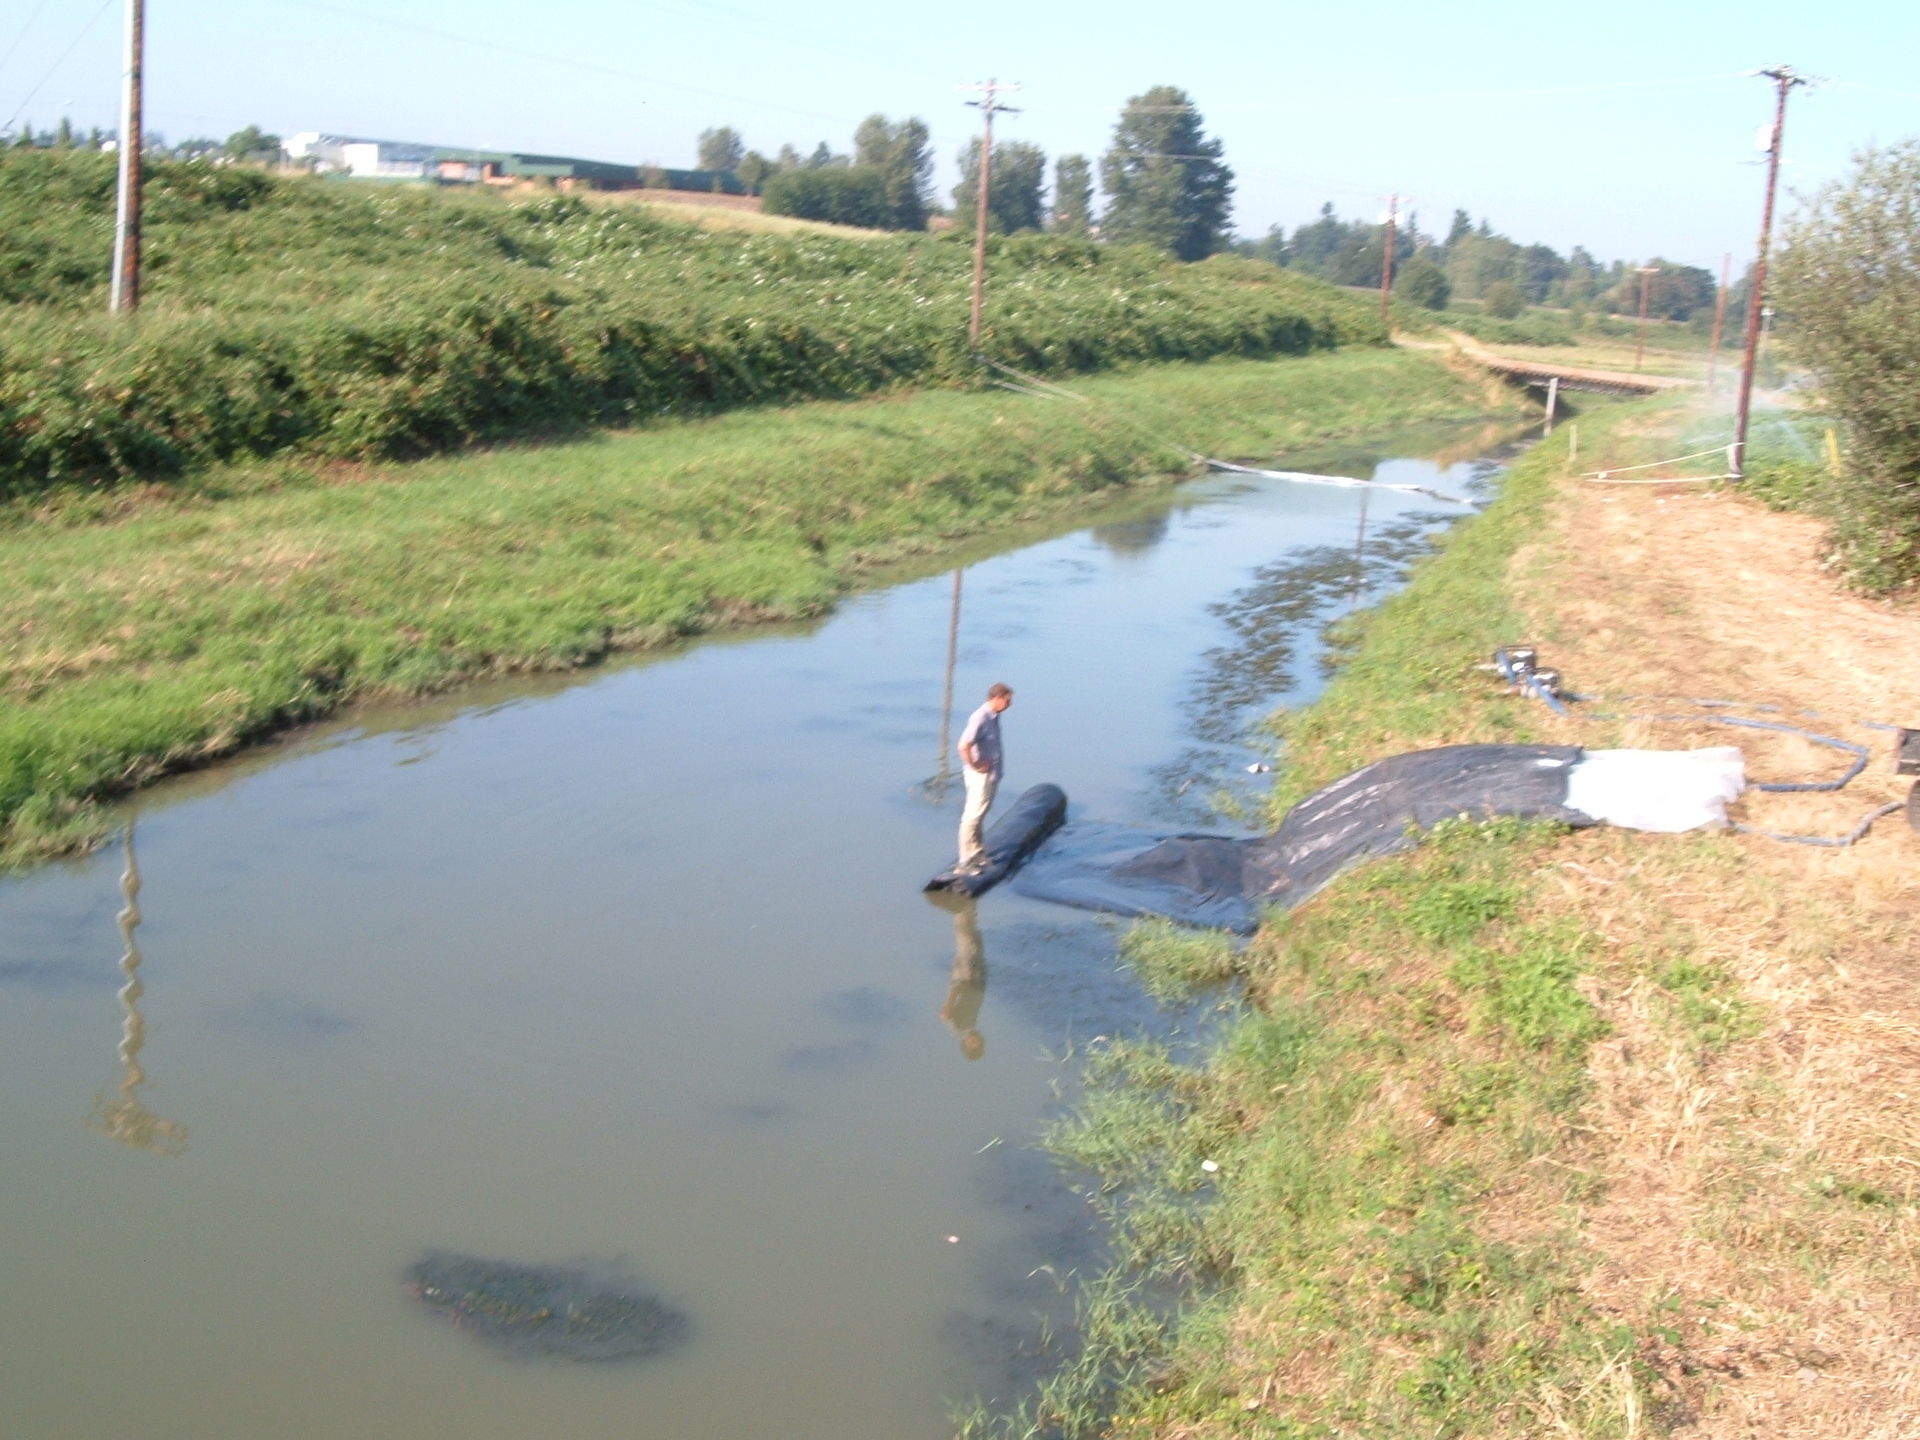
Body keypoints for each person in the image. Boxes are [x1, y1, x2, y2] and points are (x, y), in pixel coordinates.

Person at [956, 683, 1013, 872]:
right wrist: (975, 764)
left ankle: (978, 853)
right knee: (971, 817)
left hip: (992, 775)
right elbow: (963, 745)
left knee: (980, 814)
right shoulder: (980, 717)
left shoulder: (994, 717)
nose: (1009, 704)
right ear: (996, 698)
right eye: (1007, 700)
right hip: (980, 776)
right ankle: (965, 861)